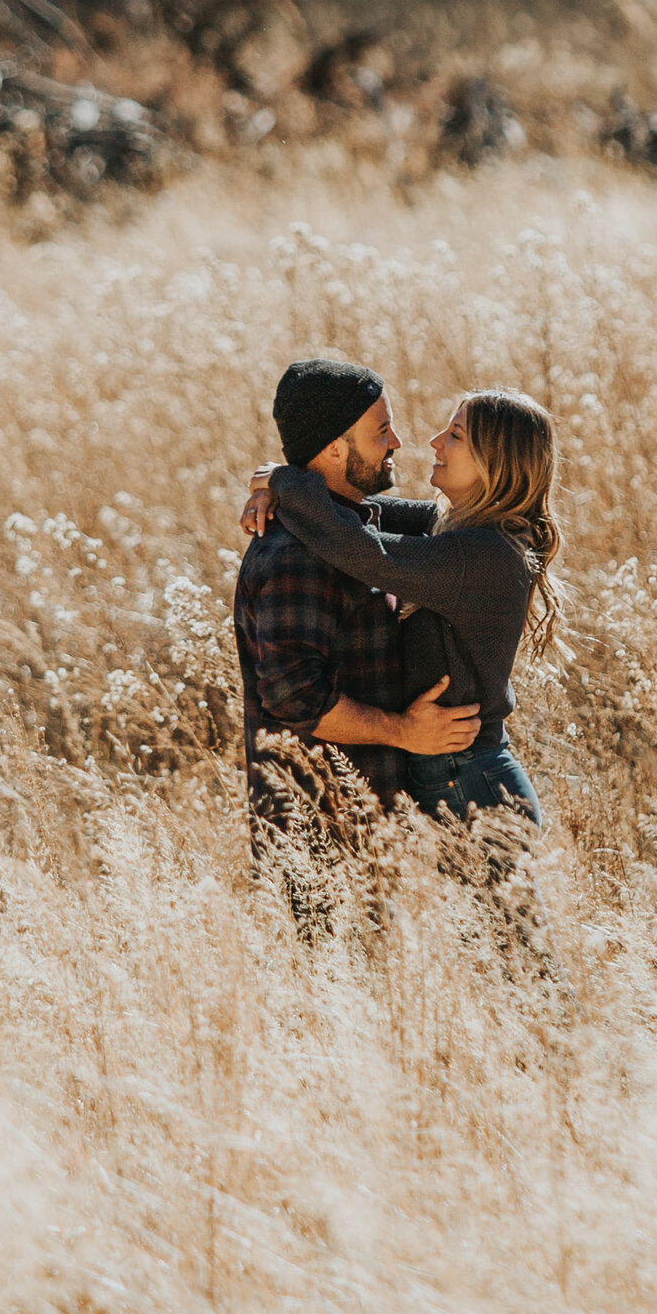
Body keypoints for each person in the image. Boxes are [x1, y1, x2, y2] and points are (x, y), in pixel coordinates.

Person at [243, 387, 566, 828]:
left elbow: (360, 547)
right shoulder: (458, 527)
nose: (434, 441)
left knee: (500, 902)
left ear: (495, 461)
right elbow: (357, 508)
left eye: (455, 435)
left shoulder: (481, 553)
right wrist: (285, 494)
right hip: (456, 773)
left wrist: (284, 483)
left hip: (470, 778)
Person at [231, 359, 482, 926]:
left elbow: (449, 525)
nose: (398, 441)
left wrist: (279, 481)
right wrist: (404, 732)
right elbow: (297, 700)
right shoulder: (296, 555)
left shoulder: (352, 529)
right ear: (335, 449)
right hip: (314, 828)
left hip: (366, 822)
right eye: (380, 432)